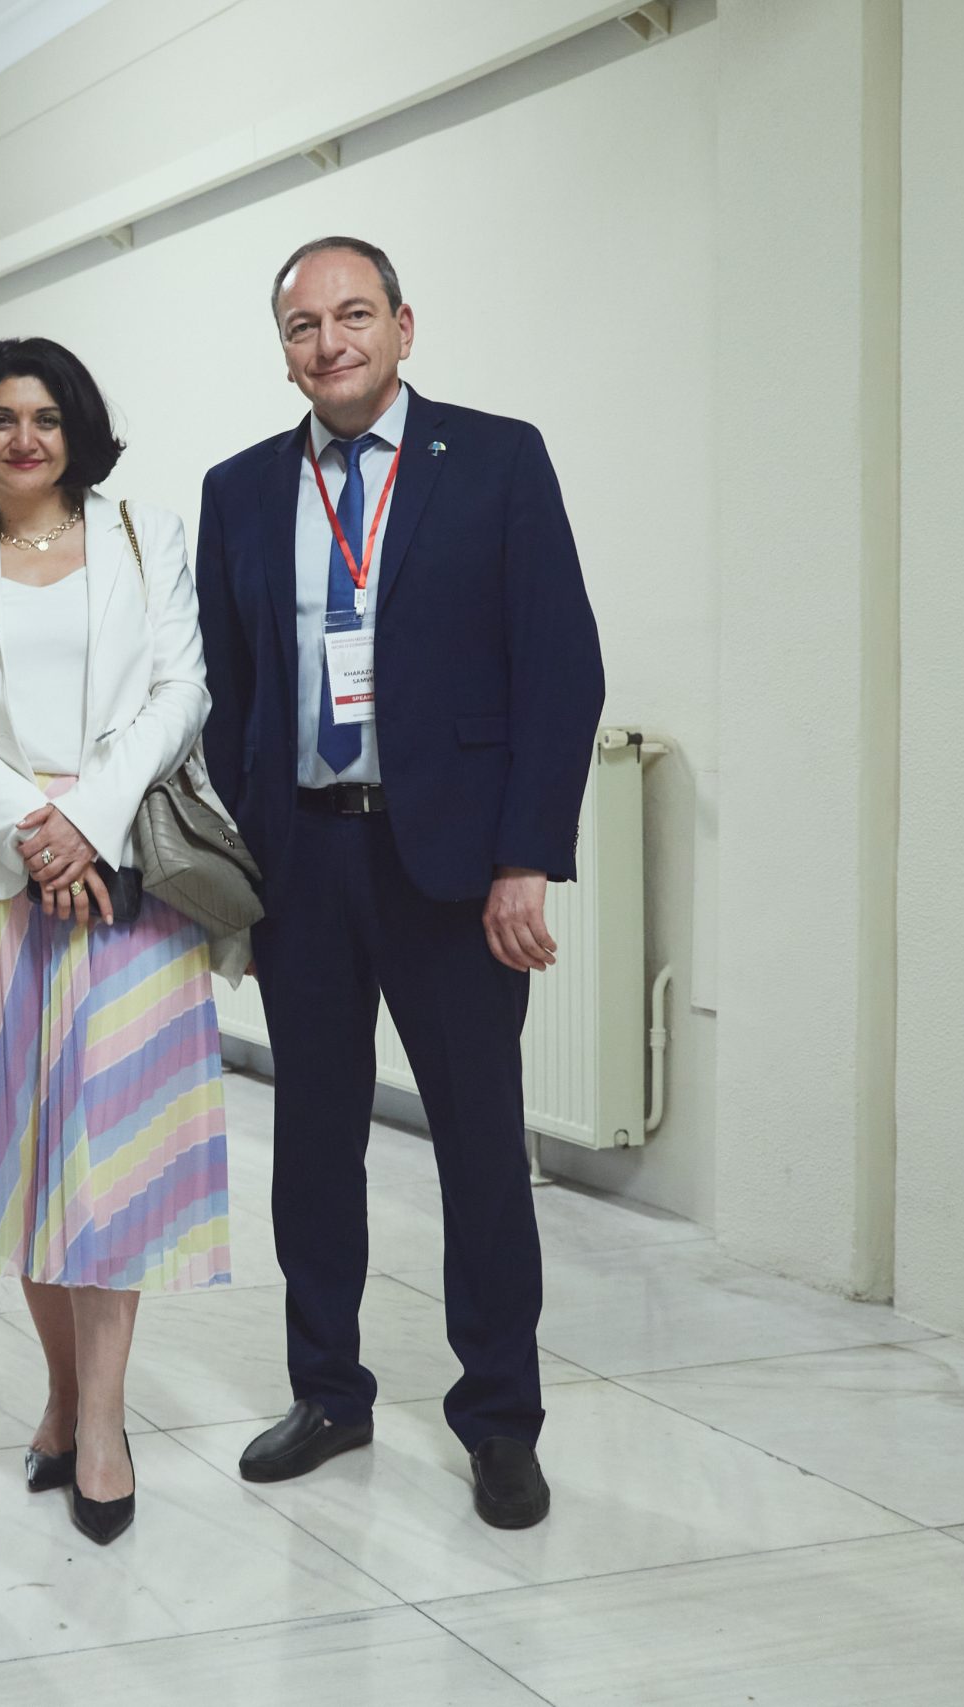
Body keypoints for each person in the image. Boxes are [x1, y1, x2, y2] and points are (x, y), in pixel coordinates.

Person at [193, 238, 604, 1529]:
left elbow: (560, 668)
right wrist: (244, 865)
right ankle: (329, 1392)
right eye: (303, 325)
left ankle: (500, 1418)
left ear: (403, 327)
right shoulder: (239, 489)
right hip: (305, 863)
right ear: (284, 350)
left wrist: (525, 856)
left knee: (479, 1147)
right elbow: (229, 695)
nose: (331, 342)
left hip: (454, 868)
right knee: (313, 1145)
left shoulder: (495, 459)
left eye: (354, 314)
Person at [0, 337, 233, 1546]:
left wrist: (84, 823)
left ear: (77, 428)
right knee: (29, 1157)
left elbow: (181, 693)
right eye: (0, 418)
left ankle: (102, 1422)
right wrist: (30, 831)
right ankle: (60, 1391)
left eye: (45, 417)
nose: (25, 438)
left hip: (125, 877)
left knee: (114, 1160)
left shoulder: (145, 536)